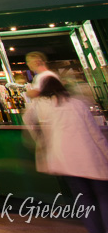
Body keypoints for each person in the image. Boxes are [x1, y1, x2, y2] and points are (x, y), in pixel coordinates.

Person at [24, 74, 108, 233]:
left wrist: (39, 139)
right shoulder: (77, 104)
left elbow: (27, 118)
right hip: (90, 157)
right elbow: (95, 133)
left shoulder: (43, 107)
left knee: (84, 199)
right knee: (103, 196)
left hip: (66, 161)